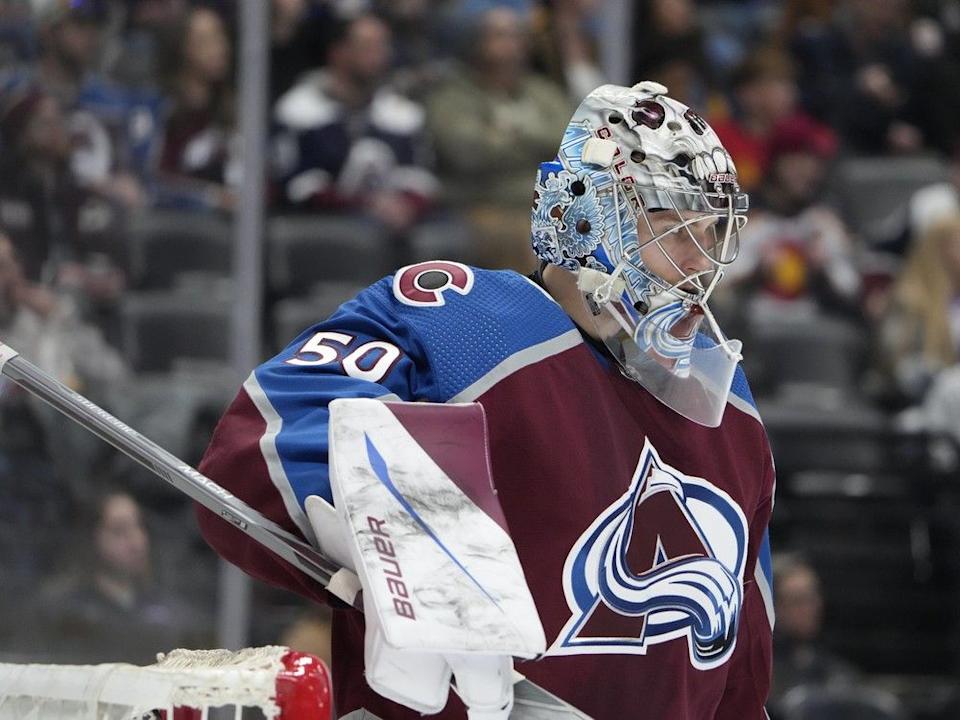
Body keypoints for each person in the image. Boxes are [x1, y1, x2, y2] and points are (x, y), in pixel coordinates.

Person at [198, 81, 775, 718]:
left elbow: (739, 670)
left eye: (716, 232)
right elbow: (262, 444)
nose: (704, 264)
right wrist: (396, 536)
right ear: (587, 216)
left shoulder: (730, 409)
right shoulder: (467, 321)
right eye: (676, 229)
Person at [425, 5, 570, 271]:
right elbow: (466, 151)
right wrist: (534, 144)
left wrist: (508, 132)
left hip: (543, 204)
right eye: (500, 36)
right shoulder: (452, 94)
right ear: (476, 43)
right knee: (522, 237)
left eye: (517, 36)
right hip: (482, 204)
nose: (511, 45)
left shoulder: (544, 92)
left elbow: (566, 142)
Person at [270, 12, 436, 235]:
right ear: (338, 52)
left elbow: (419, 177)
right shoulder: (299, 110)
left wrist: (405, 205)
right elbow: (295, 185)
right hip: (321, 230)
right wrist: (365, 205)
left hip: (390, 227)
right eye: (368, 46)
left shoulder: (402, 113)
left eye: (383, 45)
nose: (380, 54)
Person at [33, 488, 209, 664]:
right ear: (91, 538)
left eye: (139, 526)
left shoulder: (173, 613)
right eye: (119, 530)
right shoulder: (62, 610)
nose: (137, 541)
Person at [767, 553, 859, 717]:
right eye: (798, 601)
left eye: (813, 597)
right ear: (775, 606)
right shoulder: (759, 678)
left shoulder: (839, 673)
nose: (810, 608)